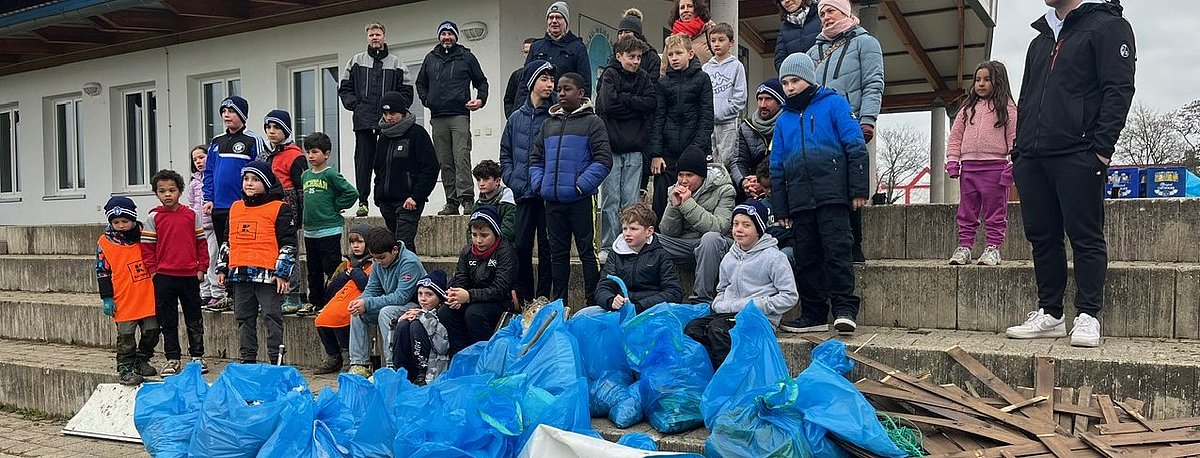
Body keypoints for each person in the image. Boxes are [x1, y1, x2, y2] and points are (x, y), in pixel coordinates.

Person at [1004, 0, 1136, 349]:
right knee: (1042, 237)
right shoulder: (1040, 39)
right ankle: (1051, 314)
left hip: (1079, 152)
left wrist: (1101, 150)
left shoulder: (1108, 26)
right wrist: (1019, 149)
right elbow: (1027, 96)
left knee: (1085, 236)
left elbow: (1118, 90)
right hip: (1032, 154)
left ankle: (1088, 315)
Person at [770, 53, 868, 335]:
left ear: (809, 79)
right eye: (785, 82)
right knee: (807, 257)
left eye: (795, 81)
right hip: (800, 200)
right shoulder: (783, 120)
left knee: (837, 251)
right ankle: (813, 313)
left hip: (832, 194)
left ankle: (844, 308)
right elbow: (776, 166)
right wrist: (782, 208)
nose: (790, 88)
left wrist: (858, 188)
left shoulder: (834, 104)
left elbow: (855, 146)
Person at [807, 0, 885, 263]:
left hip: (849, 123)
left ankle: (854, 244)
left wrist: (867, 120)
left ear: (845, 11)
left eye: (831, 10)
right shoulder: (812, 53)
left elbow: (873, 83)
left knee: (852, 184)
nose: (826, 17)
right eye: (822, 13)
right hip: (818, 131)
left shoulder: (866, 43)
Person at [530, 72, 612, 309]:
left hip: (581, 201)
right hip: (552, 203)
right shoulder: (549, 124)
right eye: (559, 90)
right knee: (557, 255)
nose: (561, 94)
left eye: (567, 90)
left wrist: (579, 186)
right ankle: (559, 306)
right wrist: (540, 184)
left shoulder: (593, 122)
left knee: (588, 253)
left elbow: (603, 160)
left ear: (581, 93)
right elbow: (536, 159)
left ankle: (593, 303)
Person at [684, 199, 798, 370]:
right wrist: (719, 304)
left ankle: (731, 377)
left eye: (746, 225)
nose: (739, 229)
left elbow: (790, 296)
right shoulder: (730, 256)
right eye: (736, 224)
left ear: (758, 230)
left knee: (718, 330)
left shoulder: (775, 258)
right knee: (693, 328)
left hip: (758, 317)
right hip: (729, 314)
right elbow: (722, 288)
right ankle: (711, 373)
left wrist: (758, 305)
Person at [216, 162, 297, 364]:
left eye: (255, 180)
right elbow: (227, 240)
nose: (249, 184)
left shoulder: (280, 208)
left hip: (269, 276)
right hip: (240, 274)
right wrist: (222, 267)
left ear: (267, 183)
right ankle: (248, 359)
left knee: (272, 317)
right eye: (246, 179)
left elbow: (289, 244)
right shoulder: (235, 207)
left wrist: (282, 273)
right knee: (243, 317)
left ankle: (275, 360)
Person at [338, 22, 414, 218]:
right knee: (363, 163)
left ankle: (386, 199)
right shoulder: (355, 61)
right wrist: (355, 104)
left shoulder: (397, 63)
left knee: (388, 162)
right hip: (363, 122)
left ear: (384, 36)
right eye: (371, 34)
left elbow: (407, 92)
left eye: (378, 34)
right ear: (367, 37)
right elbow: (344, 88)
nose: (375, 38)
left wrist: (397, 110)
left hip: (389, 124)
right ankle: (362, 201)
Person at [202, 96, 270, 312]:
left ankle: (247, 292)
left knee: (242, 246)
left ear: (242, 115)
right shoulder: (216, 141)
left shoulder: (253, 140)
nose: (226, 115)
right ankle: (227, 293)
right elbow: (209, 172)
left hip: (242, 206)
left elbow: (261, 170)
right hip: (219, 206)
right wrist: (209, 198)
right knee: (224, 250)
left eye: (231, 111)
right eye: (223, 111)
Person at [946, 61, 1017, 267]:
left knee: (995, 211)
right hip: (968, 167)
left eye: (987, 79)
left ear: (999, 81)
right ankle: (965, 247)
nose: (981, 84)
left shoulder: (1008, 108)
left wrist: (1012, 164)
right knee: (966, 210)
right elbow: (955, 136)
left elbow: (1014, 138)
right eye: (978, 80)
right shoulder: (967, 108)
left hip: (995, 168)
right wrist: (952, 160)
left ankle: (993, 247)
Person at [417, 20, 490, 216]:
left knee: (461, 157)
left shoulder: (466, 57)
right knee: (444, 160)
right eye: (443, 34)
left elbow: (481, 82)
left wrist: (480, 100)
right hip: (438, 117)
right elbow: (420, 83)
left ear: (456, 37)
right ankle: (451, 202)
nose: (447, 37)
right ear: (439, 37)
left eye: (450, 34)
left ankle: (467, 199)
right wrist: (427, 100)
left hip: (459, 115)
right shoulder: (430, 59)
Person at [141, 169, 208, 376]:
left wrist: (201, 267)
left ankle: (198, 357)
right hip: (164, 278)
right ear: (156, 194)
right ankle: (172, 358)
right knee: (167, 320)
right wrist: (153, 272)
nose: (167, 194)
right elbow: (147, 248)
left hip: (189, 276)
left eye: (172, 190)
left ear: (180, 191)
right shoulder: (154, 217)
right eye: (162, 191)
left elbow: (201, 244)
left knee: (194, 318)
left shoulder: (191, 215)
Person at [500, 60, 556, 305]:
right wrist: (512, 180)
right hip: (523, 193)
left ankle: (543, 298)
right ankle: (525, 298)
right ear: (532, 83)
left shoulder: (555, 116)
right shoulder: (515, 118)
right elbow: (505, 154)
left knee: (547, 250)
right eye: (544, 79)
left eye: (551, 80)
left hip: (546, 195)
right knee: (521, 247)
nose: (550, 84)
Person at [596, 35, 657, 256]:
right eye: (631, 57)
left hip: (635, 148)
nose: (636, 61)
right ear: (619, 56)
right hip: (612, 148)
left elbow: (651, 103)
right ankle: (608, 246)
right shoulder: (609, 75)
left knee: (631, 202)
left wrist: (625, 99)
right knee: (611, 200)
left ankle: (631, 244)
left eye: (639, 57)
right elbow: (608, 105)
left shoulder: (644, 77)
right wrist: (634, 105)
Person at [648, 34, 714, 220]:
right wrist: (656, 153)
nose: (674, 58)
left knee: (695, 198)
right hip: (667, 153)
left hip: (694, 150)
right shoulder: (662, 83)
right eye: (670, 55)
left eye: (679, 53)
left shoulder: (703, 79)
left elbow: (707, 117)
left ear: (690, 54)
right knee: (661, 200)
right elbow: (658, 118)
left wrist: (696, 150)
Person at [345, 226, 426, 377]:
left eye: (381, 258)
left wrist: (368, 303)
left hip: (415, 305)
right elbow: (372, 289)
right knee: (357, 310)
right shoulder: (377, 262)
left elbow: (401, 297)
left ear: (394, 250)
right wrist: (360, 301)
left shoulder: (409, 262)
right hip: (393, 303)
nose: (377, 262)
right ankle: (359, 363)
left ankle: (392, 364)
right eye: (374, 258)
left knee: (386, 312)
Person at [97, 196, 160, 386]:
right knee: (126, 337)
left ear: (133, 219)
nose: (121, 225)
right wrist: (107, 297)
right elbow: (102, 271)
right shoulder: (104, 242)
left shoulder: (145, 235)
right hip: (123, 297)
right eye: (116, 222)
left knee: (153, 331)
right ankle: (125, 367)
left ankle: (141, 359)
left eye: (125, 221)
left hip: (148, 295)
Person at [657, 152, 736, 303]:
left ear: (702, 176)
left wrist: (687, 204)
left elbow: (719, 228)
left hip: (716, 246)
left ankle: (701, 299)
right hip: (687, 245)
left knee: (710, 238)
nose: (684, 180)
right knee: (650, 239)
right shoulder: (674, 190)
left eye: (689, 175)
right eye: (680, 175)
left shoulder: (724, 189)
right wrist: (674, 205)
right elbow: (668, 232)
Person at [440, 206, 516, 354]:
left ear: (495, 232)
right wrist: (455, 297)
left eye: (484, 235)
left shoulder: (506, 252)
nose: (478, 240)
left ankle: (485, 354)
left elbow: (500, 289)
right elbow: (461, 278)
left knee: (473, 313)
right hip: (472, 298)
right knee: (445, 312)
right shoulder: (467, 251)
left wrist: (469, 296)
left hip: (500, 301)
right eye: (474, 235)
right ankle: (460, 354)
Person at [299, 132, 359, 315]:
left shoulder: (331, 174)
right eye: (308, 152)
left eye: (315, 152)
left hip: (329, 230)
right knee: (313, 269)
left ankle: (333, 300)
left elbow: (351, 193)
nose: (310, 156)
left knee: (331, 267)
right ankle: (315, 301)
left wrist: (335, 206)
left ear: (326, 154)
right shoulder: (305, 176)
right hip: (310, 231)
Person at [372, 91, 440, 253]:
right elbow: (379, 169)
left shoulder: (417, 134)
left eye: (393, 113)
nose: (389, 117)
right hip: (386, 202)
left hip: (408, 202)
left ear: (402, 112)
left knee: (403, 244)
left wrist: (416, 196)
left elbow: (430, 168)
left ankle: (409, 277)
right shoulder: (383, 137)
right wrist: (378, 196)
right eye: (385, 113)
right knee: (394, 247)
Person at [594, 203, 684, 312]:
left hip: (651, 310)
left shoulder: (661, 255)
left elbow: (674, 292)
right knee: (584, 313)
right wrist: (611, 300)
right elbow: (603, 287)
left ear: (649, 231)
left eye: (633, 229)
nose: (627, 233)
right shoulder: (615, 254)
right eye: (624, 228)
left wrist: (641, 306)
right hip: (621, 309)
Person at [263, 110, 308, 314]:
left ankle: (293, 294)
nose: (271, 132)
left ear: (286, 130)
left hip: (288, 208)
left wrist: (299, 216)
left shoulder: (295, 156)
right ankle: (274, 294)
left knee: (290, 251)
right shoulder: (264, 155)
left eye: (277, 128)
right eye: (268, 127)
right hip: (267, 209)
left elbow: (301, 190)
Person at [313, 224, 373, 375]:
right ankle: (333, 356)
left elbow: (366, 285)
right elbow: (330, 289)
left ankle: (348, 357)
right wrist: (346, 274)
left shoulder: (374, 264)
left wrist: (355, 272)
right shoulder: (345, 264)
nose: (355, 246)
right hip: (341, 298)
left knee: (341, 316)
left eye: (359, 242)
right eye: (352, 242)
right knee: (322, 319)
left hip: (359, 301)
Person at [391, 270, 451, 385]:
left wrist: (423, 318)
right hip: (410, 363)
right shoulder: (414, 311)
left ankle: (421, 373)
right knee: (403, 324)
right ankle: (400, 371)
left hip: (432, 368)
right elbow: (390, 344)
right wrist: (398, 321)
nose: (423, 298)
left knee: (416, 325)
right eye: (420, 294)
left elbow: (442, 346)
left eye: (429, 294)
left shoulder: (444, 313)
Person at [731, 78, 785, 203]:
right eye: (760, 99)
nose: (762, 105)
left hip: (779, 186)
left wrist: (764, 181)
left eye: (768, 99)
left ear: (780, 101)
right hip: (751, 188)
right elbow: (738, 161)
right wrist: (744, 182)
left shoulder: (787, 124)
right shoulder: (746, 127)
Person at [703, 22, 747, 166]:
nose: (716, 44)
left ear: (731, 43)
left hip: (728, 123)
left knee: (727, 162)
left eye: (721, 40)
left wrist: (722, 112)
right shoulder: (706, 68)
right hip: (709, 125)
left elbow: (740, 97)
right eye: (713, 40)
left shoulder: (737, 66)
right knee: (710, 162)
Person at [187, 145, 225, 310]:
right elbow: (191, 204)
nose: (199, 162)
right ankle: (205, 293)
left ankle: (217, 293)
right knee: (200, 261)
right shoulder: (193, 183)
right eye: (195, 159)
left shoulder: (215, 178)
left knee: (212, 259)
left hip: (213, 226)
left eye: (201, 157)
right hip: (199, 228)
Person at [526, 2, 592, 94]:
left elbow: (585, 83)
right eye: (551, 17)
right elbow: (525, 80)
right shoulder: (536, 46)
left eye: (558, 17)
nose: (554, 21)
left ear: (566, 22)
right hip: (537, 105)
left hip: (565, 105)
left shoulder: (578, 48)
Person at [469, 160, 516, 242]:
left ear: (497, 181)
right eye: (478, 180)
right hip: (480, 248)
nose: (481, 184)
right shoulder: (477, 205)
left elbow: (508, 233)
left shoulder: (508, 204)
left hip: (502, 249)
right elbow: (470, 231)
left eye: (486, 179)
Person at [615, 8, 662, 81]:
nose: (623, 36)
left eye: (627, 32)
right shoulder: (614, 56)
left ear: (637, 35)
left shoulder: (651, 57)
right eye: (620, 33)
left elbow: (654, 85)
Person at [774, 0, 821, 71]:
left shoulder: (821, 15)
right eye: (782, 0)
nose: (786, 1)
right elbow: (780, 61)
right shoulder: (784, 30)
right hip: (800, 79)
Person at [503, 38, 537, 119]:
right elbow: (508, 99)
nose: (528, 55)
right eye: (525, 52)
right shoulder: (517, 75)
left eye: (530, 52)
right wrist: (511, 116)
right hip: (519, 119)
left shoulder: (547, 75)